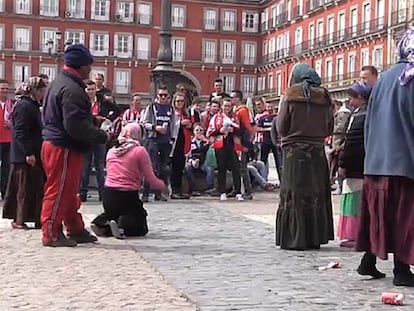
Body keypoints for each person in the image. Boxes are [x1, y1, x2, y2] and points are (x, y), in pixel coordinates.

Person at [356, 28, 414, 286]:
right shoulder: (410, 78)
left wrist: (371, 155)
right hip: (403, 160)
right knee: (404, 216)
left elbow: (370, 122)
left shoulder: (385, 79)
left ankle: (368, 261)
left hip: (377, 160)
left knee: (378, 214)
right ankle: (401, 270)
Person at [41, 44, 109, 247]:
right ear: (81, 65)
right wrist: (100, 135)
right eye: (88, 64)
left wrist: (90, 119)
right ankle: (51, 233)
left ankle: (75, 228)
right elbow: (74, 126)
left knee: (69, 190)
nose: (90, 68)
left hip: (54, 143)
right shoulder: (73, 90)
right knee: (59, 190)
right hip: (64, 147)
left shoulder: (59, 83)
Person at [275, 63, 334, 250]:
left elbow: (282, 126)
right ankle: (314, 237)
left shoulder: (290, 96)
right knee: (315, 193)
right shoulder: (324, 98)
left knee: (295, 193)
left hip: (294, 152)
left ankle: (294, 237)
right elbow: (329, 128)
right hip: (317, 151)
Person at [91, 123, 166, 239]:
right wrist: (163, 186)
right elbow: (151, 178)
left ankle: (101, 223)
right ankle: (121, 228)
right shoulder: (139, 151)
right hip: (128, 194)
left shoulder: (112, 151)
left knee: (112, 213)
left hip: (108, 194)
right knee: (140, 225)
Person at [2, 77, 46, 229]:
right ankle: (19, 219)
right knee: (23, 189)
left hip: (31, 154)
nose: (42, 93)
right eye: (40, 90)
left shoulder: (31, 105)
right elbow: (20, 131)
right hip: (25, 156)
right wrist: (28, 153)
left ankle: (32, 217)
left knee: (32, 188)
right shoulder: (24, 106)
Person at [337, 82, 372, 249]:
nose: (350, 101)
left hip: (355, 165)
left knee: (353, 199)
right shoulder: (366, 113)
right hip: (364, 163)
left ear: (360, 98)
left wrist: (342, 162)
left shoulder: (358, 116)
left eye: (352, 97)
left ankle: (354, 234)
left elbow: (352, 142)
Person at [141, 85, 176, 202]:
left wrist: (172, 139)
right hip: (153, 140)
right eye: (161, 95)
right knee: (152, 167)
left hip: (166, 142)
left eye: (165, 95)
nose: (163, 97)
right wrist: (156, 128)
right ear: (157, 95)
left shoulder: (170, 109)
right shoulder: (151, 108)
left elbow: (173, 125)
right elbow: (144, 123)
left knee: (163, 169)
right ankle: (145, 193)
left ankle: (158, 193)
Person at [207, 97, 243, 201]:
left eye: (229, 106)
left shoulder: (235, 117)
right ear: (221, 106)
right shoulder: (216, 118)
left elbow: (240, 131)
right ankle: (222, 191)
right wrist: (220, 130)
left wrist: (233, 130)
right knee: (221, 168)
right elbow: (210, 131)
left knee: (236, 168)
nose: (227, 108)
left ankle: (238, 191)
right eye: (225, 105)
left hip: (232, 144)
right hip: (220, 144)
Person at [170, 92, 192, 199]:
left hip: (184, 141)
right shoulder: (172, 113)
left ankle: (179, 189)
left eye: (182, 101)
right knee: (173, 167)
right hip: (174, 142)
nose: (180, 103)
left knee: (180, 166)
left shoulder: (186, 114)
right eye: (178, 101)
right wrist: (180, 123)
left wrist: (189, 125)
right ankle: (173, 190)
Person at [184, 123, 215, 196]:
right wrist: (192, 161)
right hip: (192, 161)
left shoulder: (206, 142)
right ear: (194, 131)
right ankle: (193, 189)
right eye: (197, 130)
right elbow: (188, 153)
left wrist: (206, 142)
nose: (199, 132)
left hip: (203, 163)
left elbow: (210, 152)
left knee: (210, 168)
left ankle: (210, 189)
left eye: (201, 130)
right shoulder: (190, 141)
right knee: (187, 167)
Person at [0, 79, 13, 200]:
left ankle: (4, 192)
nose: (4, 91)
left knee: (7, 168)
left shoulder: (12, 104)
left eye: (6, 88)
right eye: (2, 88)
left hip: (9, 140)